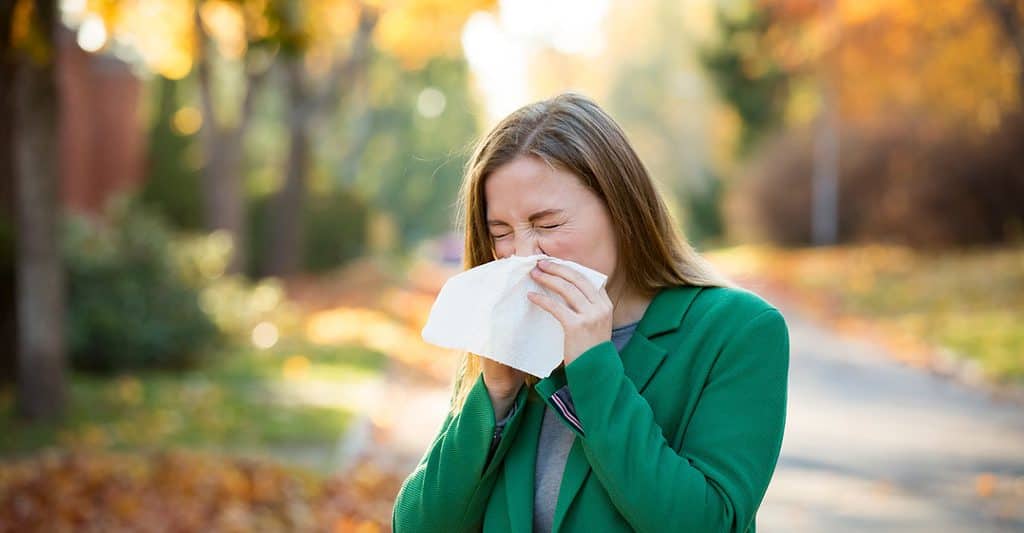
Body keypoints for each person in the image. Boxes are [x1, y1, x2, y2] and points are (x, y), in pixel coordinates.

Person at [392, 92, 789, 533]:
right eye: (501, 232)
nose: (523, 253)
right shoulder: (505, 337)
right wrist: (495, 398)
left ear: (622, 211)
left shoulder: (738, 331)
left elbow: (707, 523)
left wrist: (594, 371)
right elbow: (417, 526)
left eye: (548, 225)